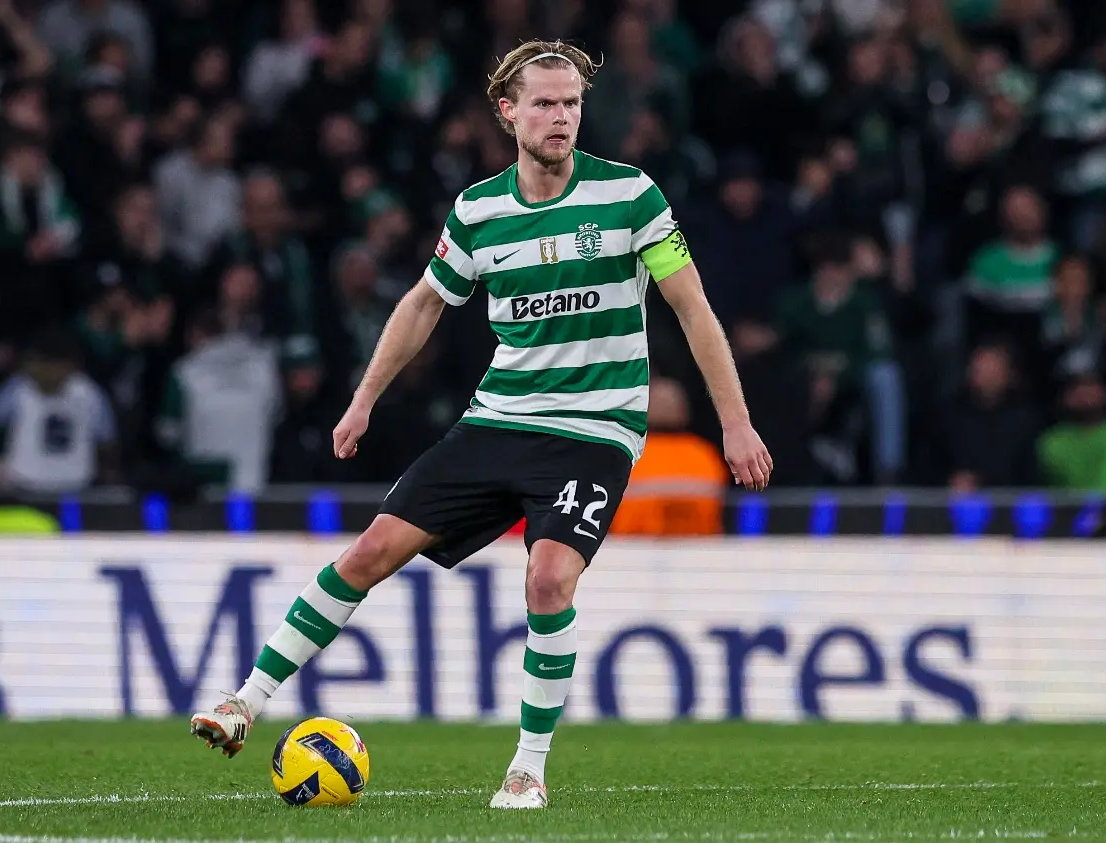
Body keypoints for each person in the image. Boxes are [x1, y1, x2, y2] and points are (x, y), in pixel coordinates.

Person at [188, 39, 773, 809]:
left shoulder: (630, 195)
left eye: (571, 104)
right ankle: (245, 700)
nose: (561, 117)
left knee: (549, 577)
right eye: (545, 104)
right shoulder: (478, 211)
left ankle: (527, 769)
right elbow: (424, 303)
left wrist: (735, 421)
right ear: (508, 112)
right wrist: (364, 398)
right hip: (499, 418)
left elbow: (692, 307)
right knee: (370, 551)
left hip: (596, 427)